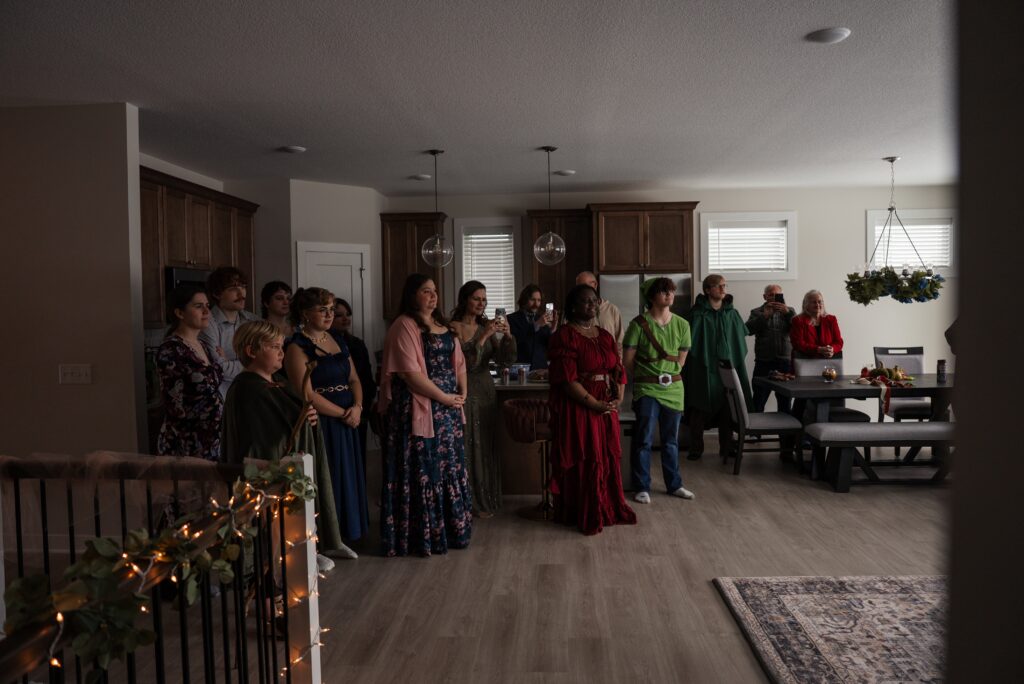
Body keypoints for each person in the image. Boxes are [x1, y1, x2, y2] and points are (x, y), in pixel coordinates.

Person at [221, 320, 354, 563]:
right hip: (267, 471)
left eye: (282, 346)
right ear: (252, 351)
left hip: (293, 462)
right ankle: (289, 555)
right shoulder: (248, 389)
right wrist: (301, 419)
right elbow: (264, 437)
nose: (282, 352)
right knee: (276, 522)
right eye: (275, 347)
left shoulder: (277, 381)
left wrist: (307, 414)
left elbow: (296, 410)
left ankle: (310, 547)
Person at [377, 274, 472, 557]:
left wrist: (462, 393)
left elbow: (460, 364)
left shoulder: (443, 326)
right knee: (421, 468)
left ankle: (452, 530)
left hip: (448, 410)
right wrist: (443, 397)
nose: (432, 296)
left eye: (434, 291)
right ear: (412, 295)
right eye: (425, 291)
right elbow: (409, 374)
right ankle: (420, 537)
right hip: (419, 407)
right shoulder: (403, 325)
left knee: (448, 467)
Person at [547, 283, 636, 536]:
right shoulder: (564, 336)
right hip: (580, 407)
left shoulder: (604, 335)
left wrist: (618, 396)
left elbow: (618, 369)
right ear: (573, 306)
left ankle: (606, 506)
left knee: (606, 456)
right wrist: (594, 404)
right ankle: (584, 511)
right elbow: (566, 380)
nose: (593, 305)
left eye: (595, 301)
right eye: (586, 301)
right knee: (587, 456)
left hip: (606, 405)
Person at [285, 287, 368, 547]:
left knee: (350, 473)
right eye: (323, 309)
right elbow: (305, 392)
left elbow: (354, 378)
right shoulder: (296, 346)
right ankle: (330, 537)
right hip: (324, 420)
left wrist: (357, 407)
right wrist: (343, 413)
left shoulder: (338, 340)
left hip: (350, 417)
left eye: (331, 309)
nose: (329, 314)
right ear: (304, 313)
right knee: (329, 475)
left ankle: (352, 532)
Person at [623, 278, 693, 504]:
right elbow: (628, 361)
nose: (669, 295)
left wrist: (665, 374)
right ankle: (642, 486)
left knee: (671, 441)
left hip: (674, 389)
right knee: (643, 439)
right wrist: (647, 376)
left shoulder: (683, 324)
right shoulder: (638, 324)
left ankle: (675, 485)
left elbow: (681, 362)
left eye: (671, 291)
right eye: (663, 291)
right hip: (647, 389)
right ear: (651, 297)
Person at [450, 280, 517, 516]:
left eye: (484, 299)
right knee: (467, 445)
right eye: (476, 298)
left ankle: (486, 497)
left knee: (486, 444)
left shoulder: (486, 326)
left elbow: (503, 362)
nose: (481, 303)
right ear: (465, 299)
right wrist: (484, 335)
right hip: (464, 391)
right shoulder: (453, 327)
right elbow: (465, 364)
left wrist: (507, 337)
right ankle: (468, 502)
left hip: (487, 390)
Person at [683, 274, 751, 460]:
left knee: (727, 405)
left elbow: (738, 340)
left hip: (727, 368)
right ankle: (696, 447)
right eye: (718, 286)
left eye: (724, 285)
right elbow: (687, 342)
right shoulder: (697, 313)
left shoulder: (732, 314)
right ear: (707, 290)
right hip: (702, 366)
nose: (723, 289)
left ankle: (727, 447)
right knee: (698, 405)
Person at [156, 284, 224, 460]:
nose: (206, 311)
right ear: (179, 313)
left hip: (212, 437)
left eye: (207, 306)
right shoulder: (171, 349)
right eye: (198, 306)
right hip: (187, 440)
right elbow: (175, 402)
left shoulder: (202, 345)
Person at [330, 297, 378, 469]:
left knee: (359, 456)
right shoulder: (324, 344)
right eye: (339, 315)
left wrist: (364, 404)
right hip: (335, 406)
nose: (345, 319)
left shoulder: (356, 343)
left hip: (359, 405)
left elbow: (365, 376)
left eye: (348, 314)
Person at [200, 266, 259, 397]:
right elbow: (220, 369)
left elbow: (267, 361)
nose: (241, 294)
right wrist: (254, 366)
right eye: (233, 289)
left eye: (243, 287)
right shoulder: (207, 324)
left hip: (251, 395)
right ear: (216, 293)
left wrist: (228, 362)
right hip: (224, 400)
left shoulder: (253, 321)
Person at [746, 284, 797, 413]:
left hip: (785, 362)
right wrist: (765, 316)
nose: (774, 298)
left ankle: (785, 433)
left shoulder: (790, 311)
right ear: (764, 296)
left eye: (777, 295)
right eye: (770, 295)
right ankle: (755, 432)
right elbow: (748, 330)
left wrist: (788, 314)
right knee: (758, 398)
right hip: (763, 361)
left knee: (785, 400)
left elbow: (799, 329)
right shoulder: (756, 312)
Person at [507, 284, 557, 370]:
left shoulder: (543, 319)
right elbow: (515, 340)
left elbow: (550, 346)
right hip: (520, 368)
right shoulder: (511, 319)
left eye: (539, 300)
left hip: (541, 368)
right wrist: (536, 325)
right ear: (524, 300)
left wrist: (552, 330)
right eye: (532, 300)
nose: (536, 304)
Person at [575, 271, 624, 358]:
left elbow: (620, 341)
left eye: (584, 286)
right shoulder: (575, 311)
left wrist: (618, 363)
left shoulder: (612, 309)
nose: (581, 291)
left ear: (595, 285)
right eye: (578, 288)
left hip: (610, 364)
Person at [789, 290, 843, 359]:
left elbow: (839, 342)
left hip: (828, 362)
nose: (817, 304)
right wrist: (818, 349)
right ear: (806, 305)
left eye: (820, 302)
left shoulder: (831, 319)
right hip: (805, 362)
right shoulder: (798, 320)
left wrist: (832, 349)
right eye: (814, 302)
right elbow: (797, 343)